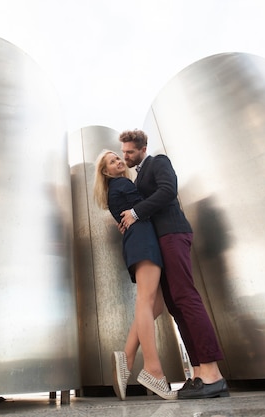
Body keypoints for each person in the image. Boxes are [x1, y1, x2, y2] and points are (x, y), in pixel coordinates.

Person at [118, 129, 229, 400]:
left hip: (173, 233)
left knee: (185, 297)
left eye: (130, 152)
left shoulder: (158, 162)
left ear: (142, 149)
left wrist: (135, 212)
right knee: (175, 305)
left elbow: (169, 191)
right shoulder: (139, 174)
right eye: (123, 152)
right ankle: (199, 372)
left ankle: (213, 373)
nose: (126, 156)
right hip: (160, 241)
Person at [93, 149, 177, 401]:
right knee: (146, 300)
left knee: (156, 305)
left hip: (139, 239)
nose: (119, 160)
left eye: (118, 157)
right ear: (106, 171)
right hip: (142, 239)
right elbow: (145, 206)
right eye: (112, 161)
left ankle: (126, 358)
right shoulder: (122, 184)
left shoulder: (117, 188)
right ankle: (153, 369)